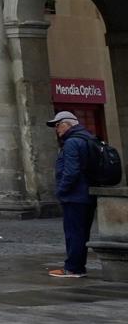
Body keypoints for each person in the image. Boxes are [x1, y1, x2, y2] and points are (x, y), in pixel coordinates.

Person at [49, 110, 101, 279]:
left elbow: (71, 171)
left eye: (58, 125)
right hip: (87, 194)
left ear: (67, 124)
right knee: (82, 232)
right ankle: (78, 266)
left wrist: (61, 190)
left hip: (75, 195)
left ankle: (73, 268)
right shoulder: (88, 138)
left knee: (74, 233)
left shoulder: (72, 142)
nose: (56, 129)